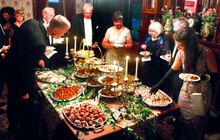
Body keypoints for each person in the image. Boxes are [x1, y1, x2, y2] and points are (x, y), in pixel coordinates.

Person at [3, 15, 70, 140]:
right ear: (55, 30)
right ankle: (22, 134)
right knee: (22, 105)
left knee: (12, 100)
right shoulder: (39, 43)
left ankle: (12, 128)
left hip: (9, 65)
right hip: (17, 74)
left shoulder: (33, 22)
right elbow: (24, 67)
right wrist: (24, 91)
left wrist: (37, 57)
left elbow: (23, 47)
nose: (63, 35)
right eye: (63, 33)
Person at [150, 27, 218, 140]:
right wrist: (158, 85)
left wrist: (203, 77)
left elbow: (215, 76)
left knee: (197, 124)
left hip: (201, 94)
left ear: (190, 44)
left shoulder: (206, 52)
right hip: (185, 90)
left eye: (181, 45)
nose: (179, 48)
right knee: (182, 119)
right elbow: (172, 70)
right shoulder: (181, 52)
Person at [139, 21, 172, 87]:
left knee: (154, 83)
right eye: (150, 31)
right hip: (147, 63)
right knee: (144, 81)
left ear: (158, 31)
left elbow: (165, 52)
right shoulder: (148, 37)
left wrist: (150, 49)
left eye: (153, 31)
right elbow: (143, 48)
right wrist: (142, 47)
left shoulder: (164, 38)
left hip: (158, 65)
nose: (150, 33)